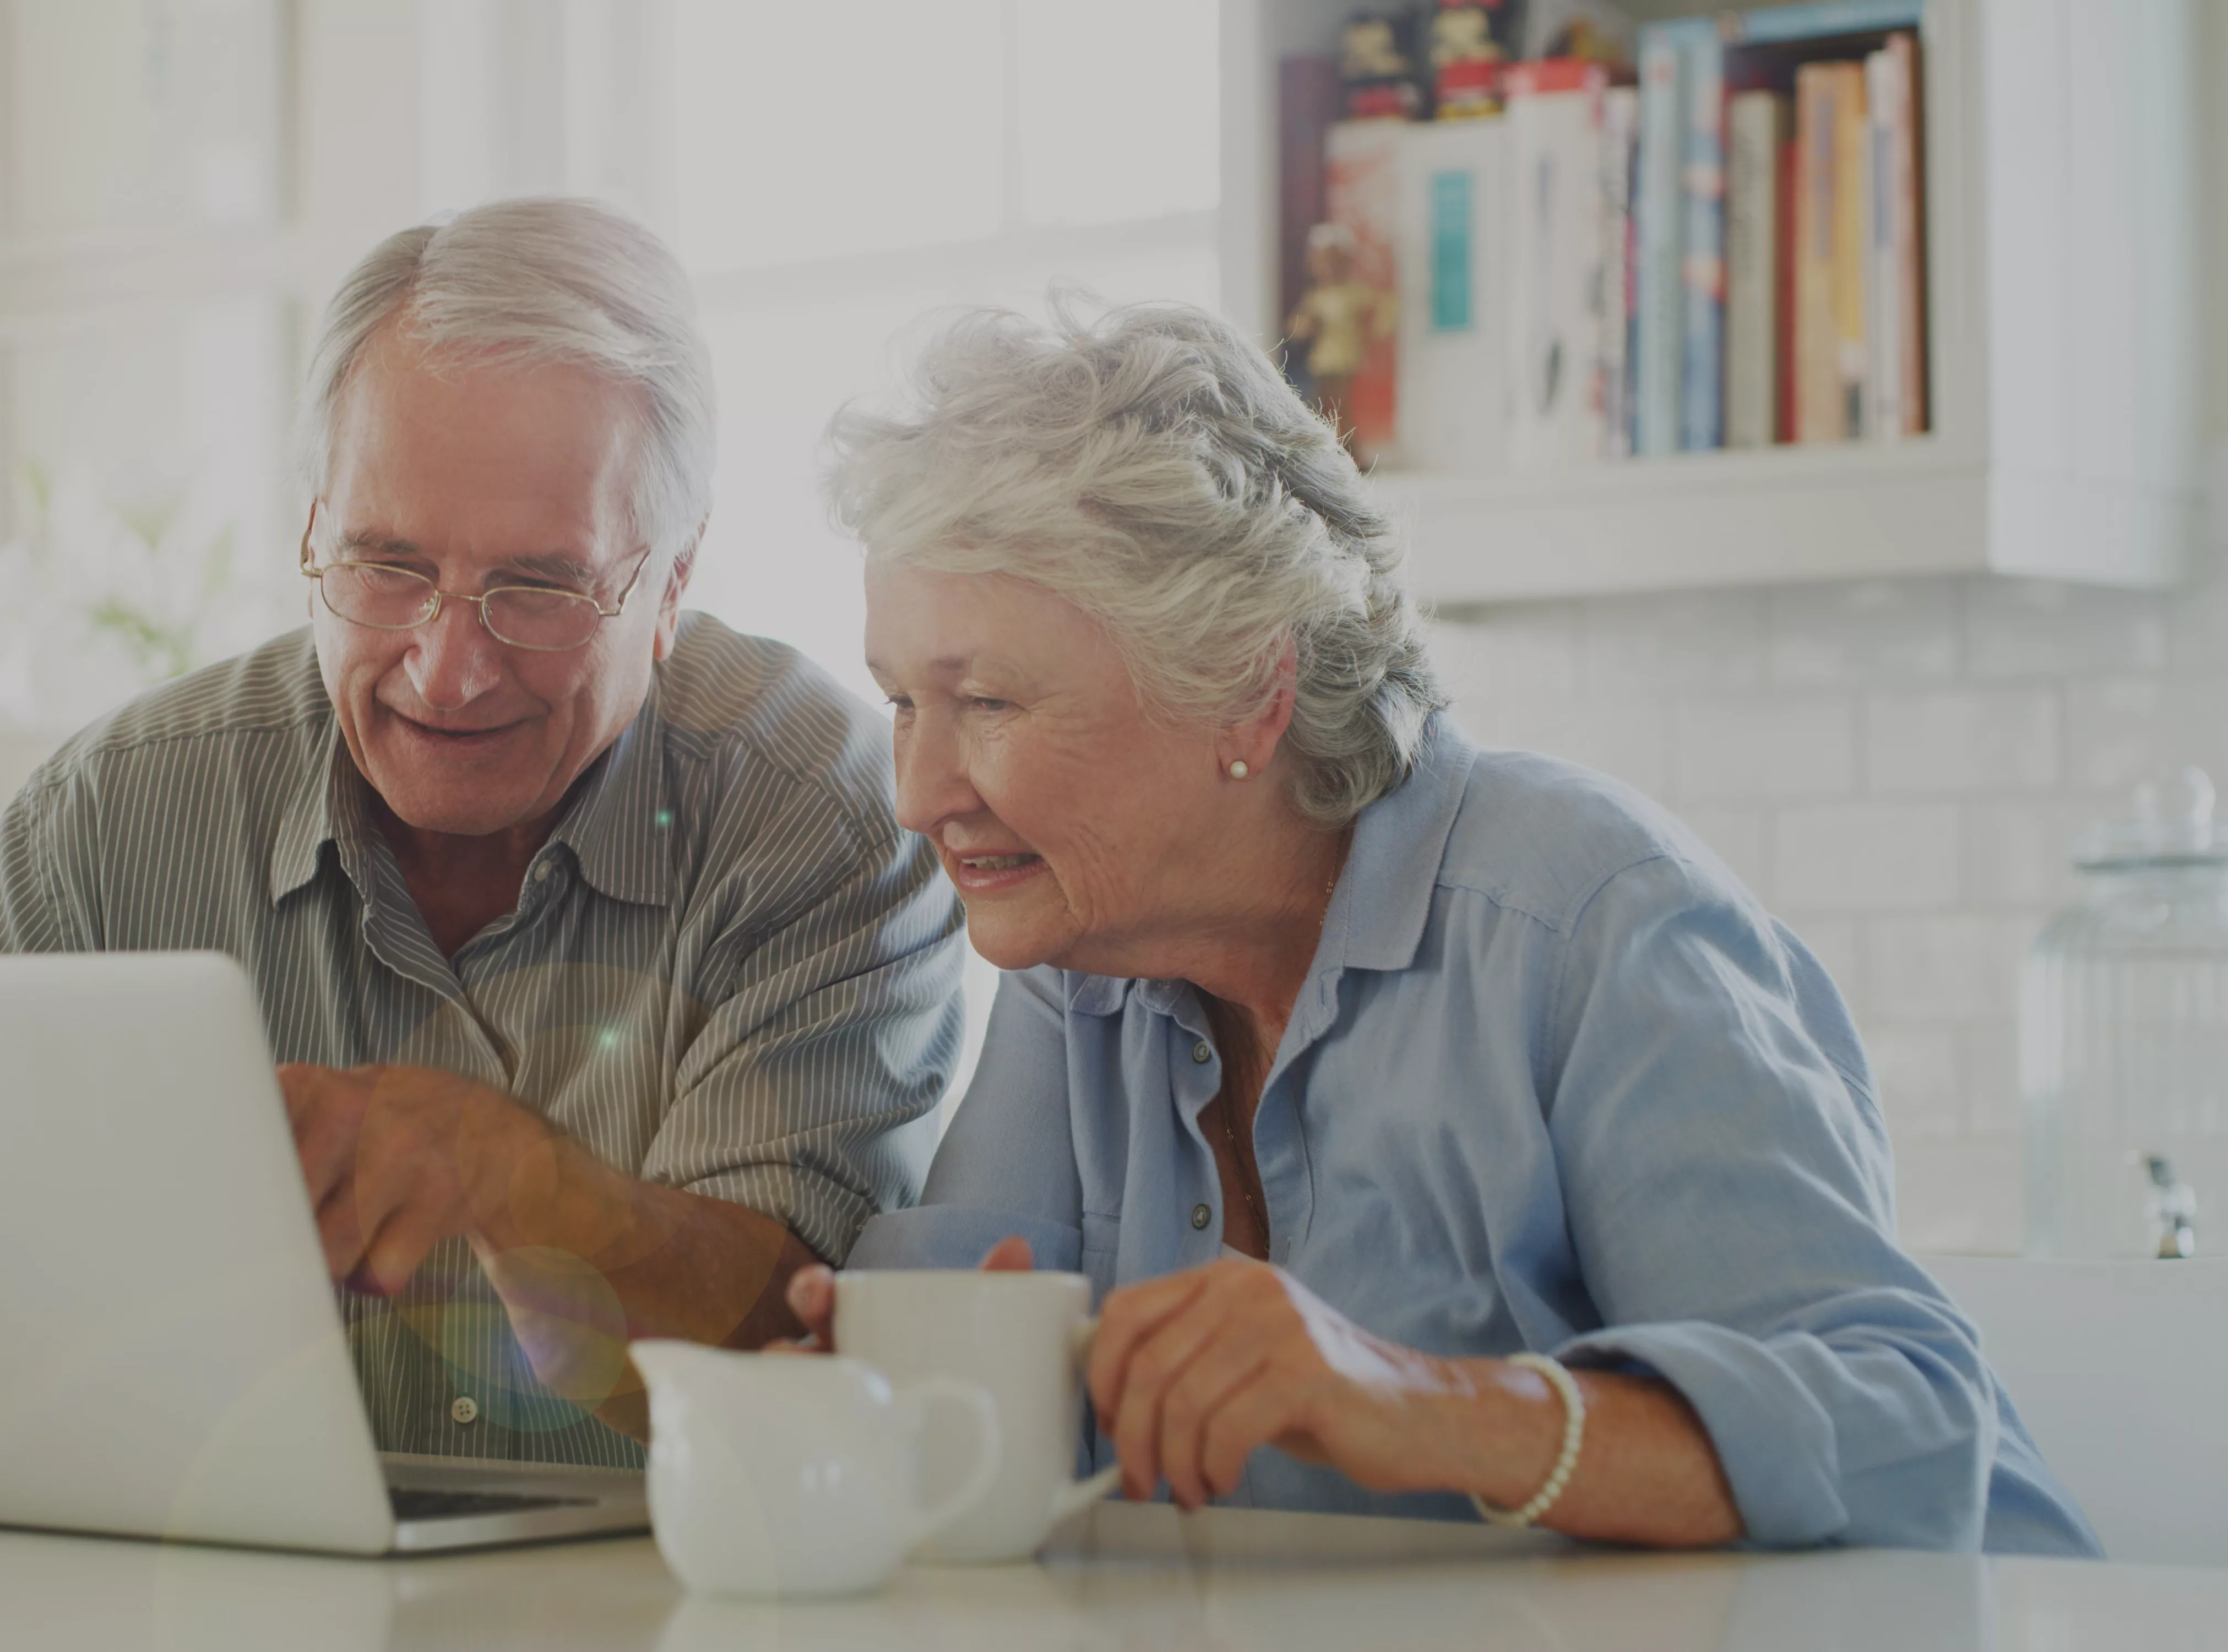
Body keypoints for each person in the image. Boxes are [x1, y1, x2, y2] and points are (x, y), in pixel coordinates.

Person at [790, 296, 2099, 1555]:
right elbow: (944, 1359)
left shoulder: (1590, 919)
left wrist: (1420, 1405)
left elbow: (1914, 1426)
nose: (917, 796)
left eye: (993, 705)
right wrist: (850, 1379)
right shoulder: (1084, 965)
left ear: (1250, 690)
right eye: (902, 702)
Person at [0, 197, 965, 1464]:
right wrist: (53, 1402)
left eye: (536, 588)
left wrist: (517, 1185)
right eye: (385, 567)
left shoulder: (826, 815)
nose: (445, 669)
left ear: (669, 584)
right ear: (310, 532)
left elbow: (780, 1342)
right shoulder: (118, 815)